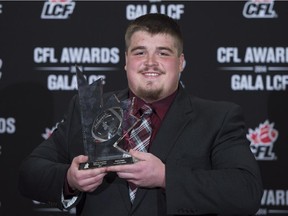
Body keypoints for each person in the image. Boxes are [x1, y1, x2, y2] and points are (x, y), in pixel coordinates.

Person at [19, 13, 263, 216]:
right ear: (126, 61)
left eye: (163, 53)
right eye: (139, 52)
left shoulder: (218, 118)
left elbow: (246, 192)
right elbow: (29, 174)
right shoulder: (89, 109)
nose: (150, 62)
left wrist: (166, 177)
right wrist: (70, 180)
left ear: (181, 63)